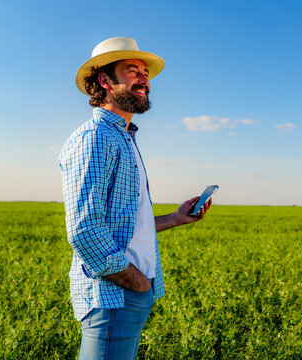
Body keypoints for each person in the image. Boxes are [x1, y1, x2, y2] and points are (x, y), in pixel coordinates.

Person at [59, 36, 212, 360]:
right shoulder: (96, 138)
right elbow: (84, 230)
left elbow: (123, 225)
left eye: (145, 72)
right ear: (104, 80)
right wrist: (136, 282)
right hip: (115, 294)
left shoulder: (122, 138)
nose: (144, 78)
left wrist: (175, 218)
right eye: (132, 70)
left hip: (127, 291)